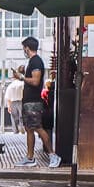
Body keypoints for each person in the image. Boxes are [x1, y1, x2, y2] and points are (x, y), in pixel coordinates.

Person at [15, 36, 61, 168]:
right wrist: (23, 73)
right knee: (29, 128)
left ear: (27, 48)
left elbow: (35, 81)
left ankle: (53, 155)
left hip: (34, 102)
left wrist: (22, 77)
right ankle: (30, 158)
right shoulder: (32, 62)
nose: (23, 50)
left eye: (24, 47)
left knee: (38, 128)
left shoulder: (36, 62)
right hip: (28, 101)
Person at [4, 68, 25, 134]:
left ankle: (15, 130)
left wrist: (9, 106)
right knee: (22, 116)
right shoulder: (22, 84)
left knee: (14, 117)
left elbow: (8, 97)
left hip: (13, 102)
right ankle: (22, 128)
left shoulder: (10, 85)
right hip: (21, 101)